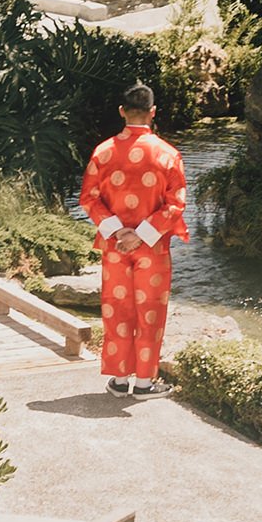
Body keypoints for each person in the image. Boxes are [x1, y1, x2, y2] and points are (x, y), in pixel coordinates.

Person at [78, 83, 186, 395]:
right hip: (152, 247)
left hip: (115, 245)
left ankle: (120, 379)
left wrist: (119, 231)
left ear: (122, 111)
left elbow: (88, 198)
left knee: (117, 308)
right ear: (153, 112)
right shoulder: (168, 154)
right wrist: (142, 235)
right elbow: (176, 205)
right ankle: (144, 383)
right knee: (149, 310)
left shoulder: (103, 151)